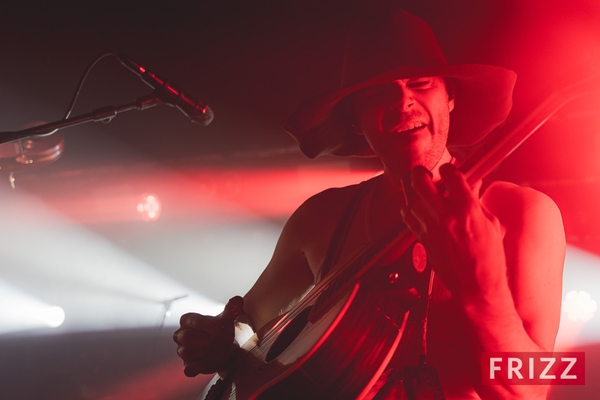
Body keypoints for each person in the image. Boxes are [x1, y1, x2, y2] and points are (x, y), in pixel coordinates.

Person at [174, 5, 565, 399]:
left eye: (422, 83)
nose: (403, 101)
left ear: (450, 97)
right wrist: (219, 340)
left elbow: (540, 386)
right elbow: (249, 324)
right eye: (380, 91)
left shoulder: (525, 214)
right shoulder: (320, 217)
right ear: (356, 119)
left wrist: (482, 290)